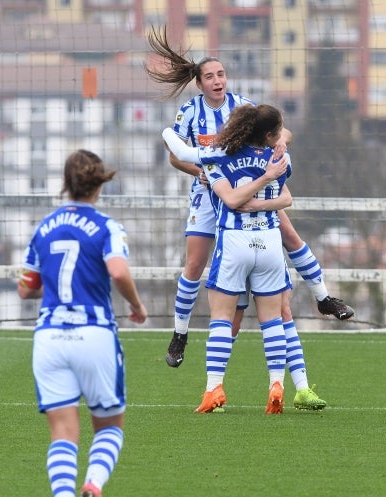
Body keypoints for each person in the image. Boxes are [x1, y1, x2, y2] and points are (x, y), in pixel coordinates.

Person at [144, 25, 354, 372]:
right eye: (209, 76)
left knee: (290, 236)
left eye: (221, 74)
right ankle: (179, 333)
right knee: (195, 265)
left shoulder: (242, 106)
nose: (217, 80)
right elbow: (174, 155)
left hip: (247, 190)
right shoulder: (191, 112)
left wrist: (282, 139)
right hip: (207, 193)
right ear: (199, 83)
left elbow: (278, 127)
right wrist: (198, 172)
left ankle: (323, 298)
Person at [18, 149, 149, 497]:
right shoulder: (107, 226)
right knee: (108, 427)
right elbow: (118, 270)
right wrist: (136, 305)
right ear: (98, 185)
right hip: (93, 333)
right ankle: (93, 483)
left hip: (49, 337)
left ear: (66, 183)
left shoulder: (43, 228)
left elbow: (25, 288)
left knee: (62, 433)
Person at [163, 104, 293, 414]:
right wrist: (267, 184)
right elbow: (286, 197)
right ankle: (276, 384)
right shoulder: (278, 158)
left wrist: (167, 130)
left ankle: (213, 389)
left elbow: (179, 149)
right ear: (271, 134)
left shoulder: (217, 155)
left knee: (221, 316)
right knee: (272, 319)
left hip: (234, 242)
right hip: (270, 243)